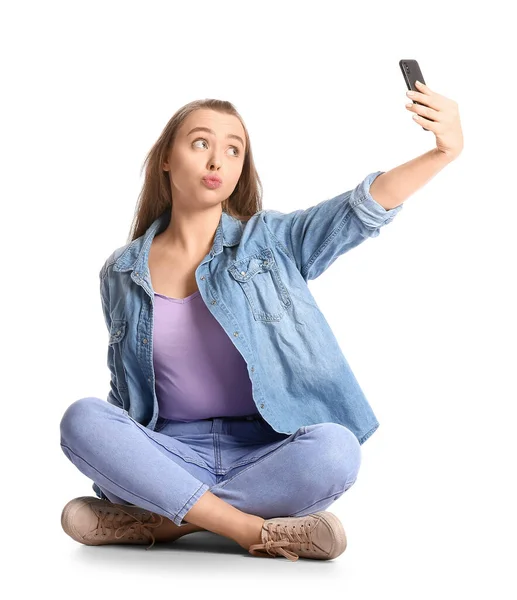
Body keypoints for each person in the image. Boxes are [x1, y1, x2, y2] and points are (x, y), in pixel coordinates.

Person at [59, 98, 404, 562]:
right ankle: (250, 529)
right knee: (83, 419)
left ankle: (164, 522)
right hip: (172, 452)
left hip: (265, 453)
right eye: (201, 142)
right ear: (166, 158)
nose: (217, 160)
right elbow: (126, 393)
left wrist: (443, 152)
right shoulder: (120, 271)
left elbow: (357, 211)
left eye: (234, 150)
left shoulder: (270, 242)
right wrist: (123, 456)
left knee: (336, 450)